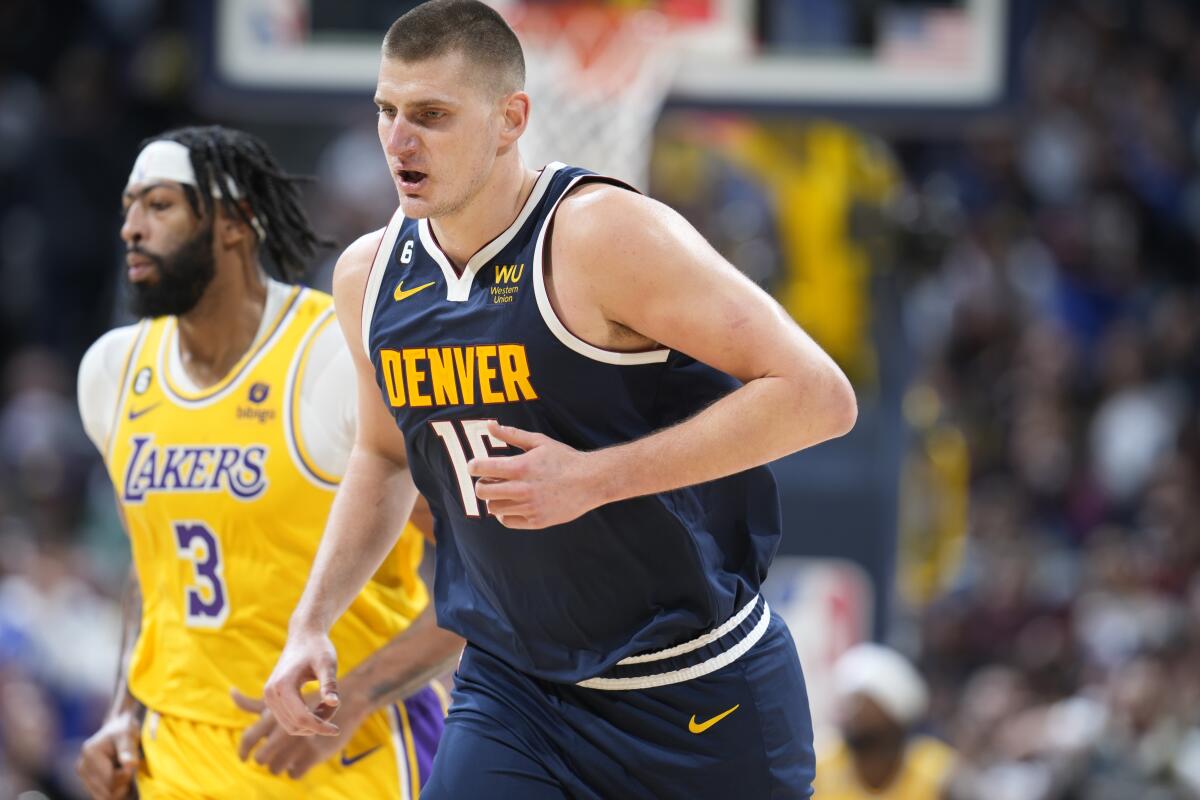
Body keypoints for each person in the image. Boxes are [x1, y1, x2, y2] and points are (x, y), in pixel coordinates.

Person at [264, 1, 857, 797]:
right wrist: (311, 623)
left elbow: (820, 397)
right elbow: (380, 456)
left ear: (511, 119)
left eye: (432, 116)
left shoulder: (600, 236)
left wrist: (593, 478)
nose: (398, 141)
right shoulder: (368, 278)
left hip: (694, 689)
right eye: (388, 112)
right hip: (516, 694)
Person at [75, 126, 462, 800]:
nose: (132, 228)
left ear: (234, 222)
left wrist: (363, 694)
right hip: (179, 760)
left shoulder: (333, 362)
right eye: (128, 208)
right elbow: (155, 565)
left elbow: (494, 567)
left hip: (345, 754)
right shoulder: (112, 372)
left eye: (159, 205)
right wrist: (123, 710)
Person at [814, 643, 956, 799]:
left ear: (894, 714)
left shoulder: (935, 771)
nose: (851, 711)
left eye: (860, 701)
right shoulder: (821, 764)